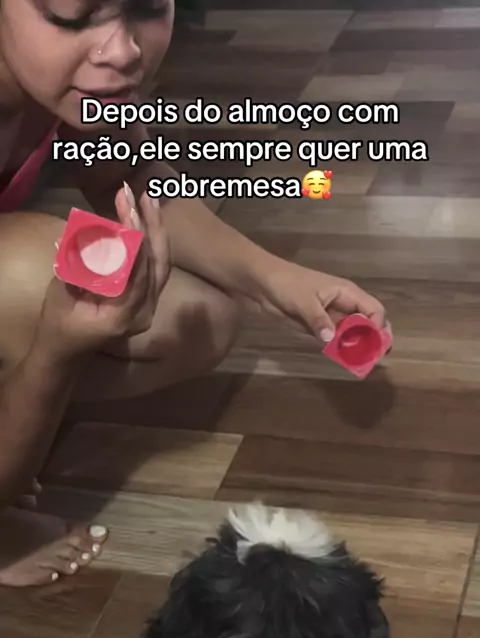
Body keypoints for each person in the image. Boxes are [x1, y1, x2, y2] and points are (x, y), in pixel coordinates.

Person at [0, 0, 387, 588]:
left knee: (202, 320)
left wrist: (278, 280)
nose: (124, 50)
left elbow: (132, 176)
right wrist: (54, 353)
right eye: (73, 17)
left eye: (149, 7)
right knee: (36, 262)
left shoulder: (81, 81)